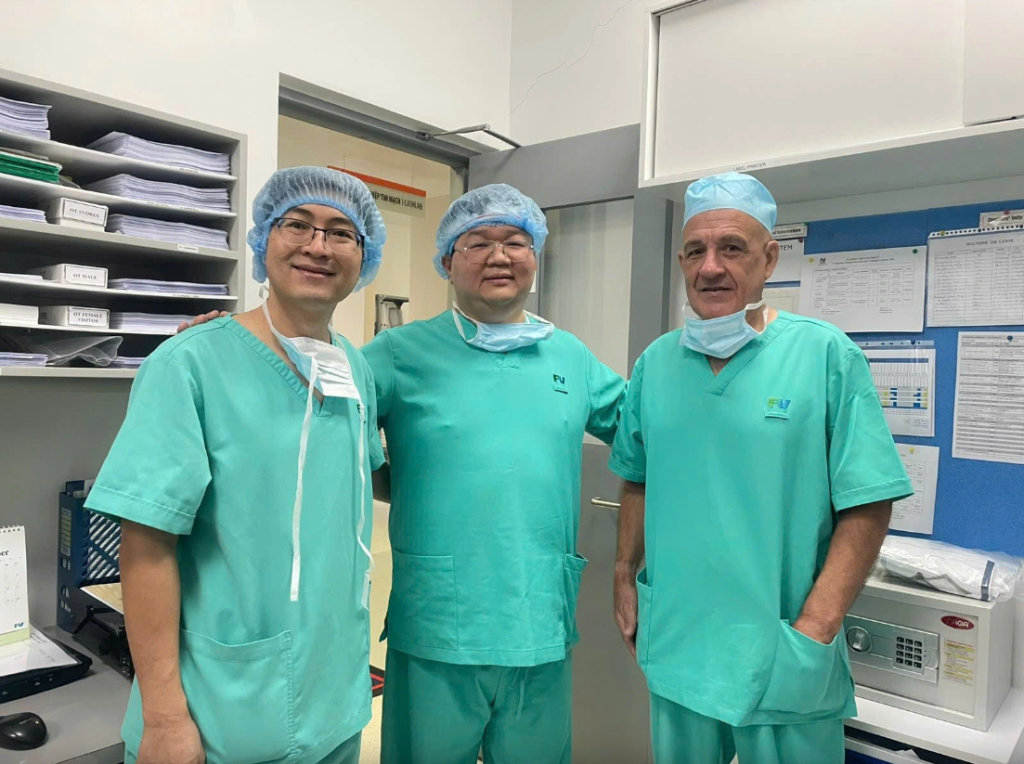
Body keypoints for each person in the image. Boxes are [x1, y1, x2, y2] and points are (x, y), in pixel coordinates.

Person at [87, 167, 388, 764]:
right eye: (296, 225)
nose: (317, 246)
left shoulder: (354, 368)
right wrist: (166, 717)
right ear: (262, 241)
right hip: (220, 713)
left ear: (364, 255)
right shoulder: (189, 365)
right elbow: (145, 545)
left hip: (337, 703)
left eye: (342, 233)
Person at [610, 172, 913, 764]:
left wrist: (817, 628)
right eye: (696, 250)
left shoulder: (825, 355)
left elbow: (869, 502)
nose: (711, 267)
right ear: (681, 261)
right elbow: (637, 477)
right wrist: (624, 573)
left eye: (732, 248)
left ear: (769, 258)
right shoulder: (655, 364)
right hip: (679, 643)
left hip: (782, 652)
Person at [364, 184, 625, 764]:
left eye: (515, 241)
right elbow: (325, 433)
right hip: (438, 622)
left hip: (539, 618)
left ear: (535, 257)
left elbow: (647, 432)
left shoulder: (570, 357)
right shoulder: (398, 353)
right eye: (478, 242)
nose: (499, 255)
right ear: (448, 262)